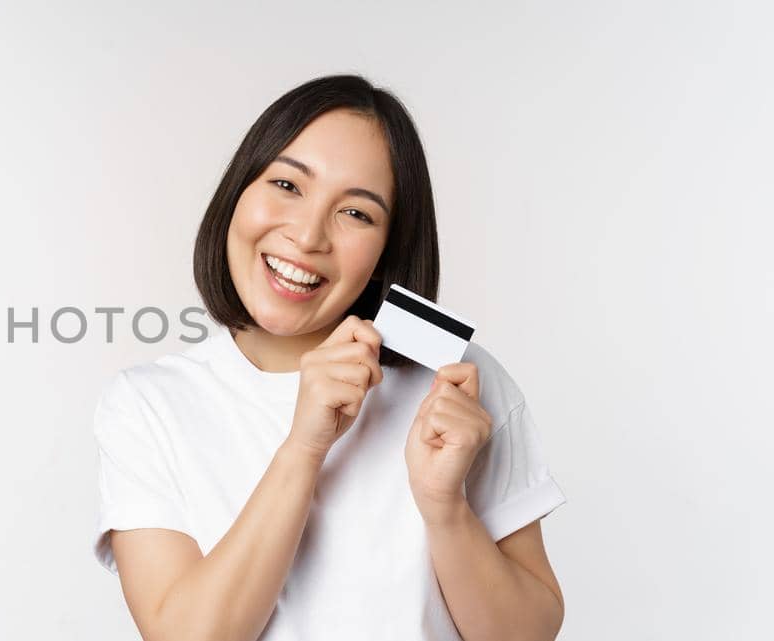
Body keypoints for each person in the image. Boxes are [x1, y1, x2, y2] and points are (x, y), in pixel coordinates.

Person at [91, 75, 567, 641]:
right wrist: (305, 447)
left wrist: (445, 507)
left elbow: (528, 635)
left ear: (389, 247)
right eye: (288, 185)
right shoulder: (148, 404)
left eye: (357, 214)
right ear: (238, 192)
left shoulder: (459, 384)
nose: (308, 235)